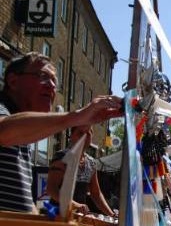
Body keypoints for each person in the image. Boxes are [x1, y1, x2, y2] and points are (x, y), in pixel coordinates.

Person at [0, 52, 123, 214]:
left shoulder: (24, 134)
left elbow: (22, 201)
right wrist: (76, 117)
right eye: (43, 76)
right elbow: (3, 131)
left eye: (54, 81)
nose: (51, 85)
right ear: (13, 81)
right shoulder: (5, 114)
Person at [46, 125, 115, 217]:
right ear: (72, 135)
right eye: (80, 133)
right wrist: (75, 205)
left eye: (88, 133)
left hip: (79, 218)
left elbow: (96, 194)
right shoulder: (61, 158)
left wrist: (112, 215)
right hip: (58, 216)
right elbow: (51, 189)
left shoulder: (91, 163)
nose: (84, 136)